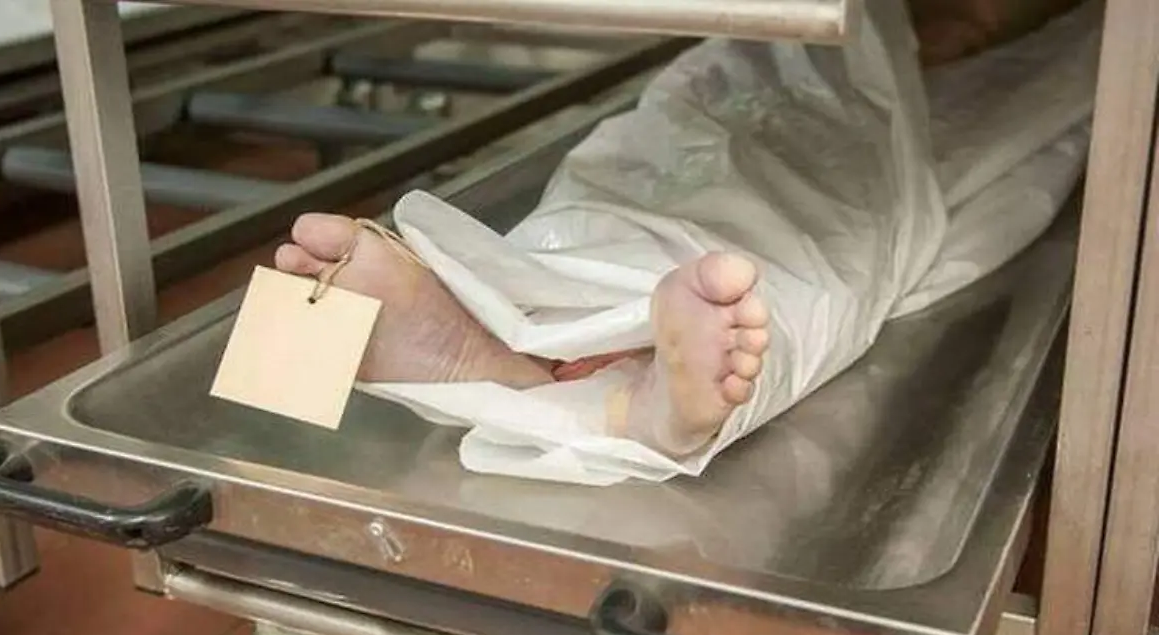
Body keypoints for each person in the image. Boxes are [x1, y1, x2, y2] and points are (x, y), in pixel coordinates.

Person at [272, 0, 1097, 468]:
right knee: (658, 158)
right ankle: (536, 337)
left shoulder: (1064, 52)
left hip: (900, 130)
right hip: (791, 51)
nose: (968, 21)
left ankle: (615, 383)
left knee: (823, 234)